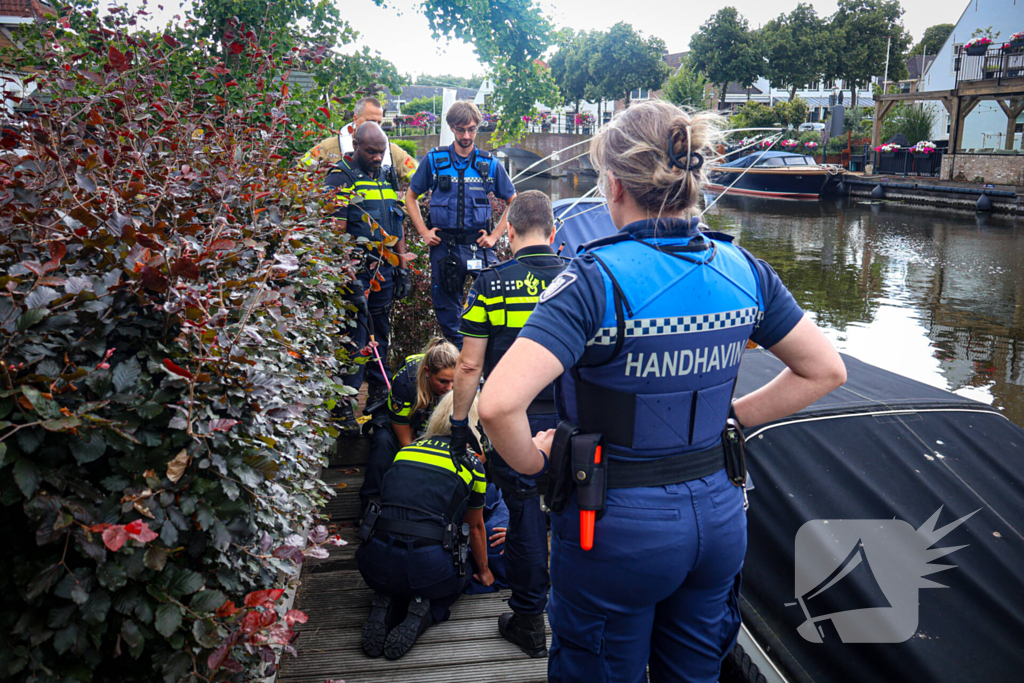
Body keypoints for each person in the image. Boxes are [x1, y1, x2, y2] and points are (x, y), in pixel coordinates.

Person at [478, 100, 847, 682]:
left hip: (613, 528)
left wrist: (534, 461)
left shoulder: (591, 282)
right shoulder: (745, 269)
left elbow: (499, 404)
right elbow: (824, 371)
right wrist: (727, 420)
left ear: (615, 185)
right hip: (719, 519)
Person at [450, 189, 566, 657]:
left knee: (525, 516)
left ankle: (529, 620)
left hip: (512, 421)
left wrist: (459, 424)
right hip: (572, 421)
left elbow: (468, 366)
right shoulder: (580, 278)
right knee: (578, 510)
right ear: (553, 233)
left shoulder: (491, 283)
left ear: (510, 233)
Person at [355, 391, 494, 660]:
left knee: (402, 557)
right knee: (463, 574)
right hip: (430, 569)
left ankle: (386, 600)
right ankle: (427, 611)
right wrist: (485, 572)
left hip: (374, 563)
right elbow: (474, 527)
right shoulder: (472, 465)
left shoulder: (405, 452)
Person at [405, 100, 517, 347]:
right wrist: (423, 232)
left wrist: (495, 236)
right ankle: (459, 358)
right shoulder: (435, 160)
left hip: (478, 246)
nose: (466, 136)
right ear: (451, 128)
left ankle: (487, 356)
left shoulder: (489, 164)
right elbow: (410, 197)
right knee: (447, 311)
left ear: (478, 128)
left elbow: (513, 201)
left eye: (472, 129)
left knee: (496, 299)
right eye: (460, 130)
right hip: (444, 247)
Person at [325, 122, 412, 429]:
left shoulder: (386, 176)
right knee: (355, 339)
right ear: (356, 146)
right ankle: (343, 408)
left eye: (381, 152)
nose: (377, 157)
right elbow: (335, 236)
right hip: (357, 273)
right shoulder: (340, 177)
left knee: (381, 334)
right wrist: (351, 281)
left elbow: (397, 223)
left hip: (385, 272)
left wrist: (402, 267)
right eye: (372, 152)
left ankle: (378, 397)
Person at [300, 95, 419, 182]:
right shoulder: (328, 147)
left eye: (379, 122)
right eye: (371, 121)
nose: (376, 127)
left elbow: (420, 179)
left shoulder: (393, 152)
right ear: (356, 119)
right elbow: (298, 173)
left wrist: (404, 205)